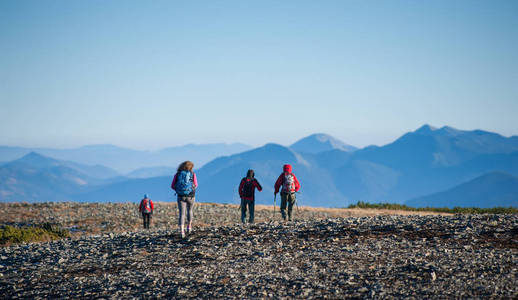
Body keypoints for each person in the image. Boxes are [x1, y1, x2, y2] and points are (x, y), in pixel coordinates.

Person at [171, 160, 198, 238]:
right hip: (191, 196)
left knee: (182, 213)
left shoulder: (178, 174)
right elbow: (196, 184)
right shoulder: (192, 174)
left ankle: (182, 231)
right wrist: (191, 190)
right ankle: (189, 227)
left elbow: (172, 186)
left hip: (181, 196)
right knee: (190, 210)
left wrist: (178, 190)